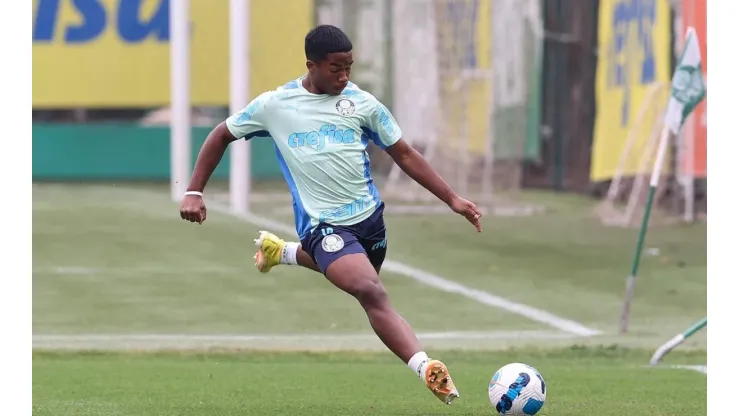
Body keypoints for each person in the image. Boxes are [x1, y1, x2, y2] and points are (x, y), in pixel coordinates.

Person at [180, 24, 482, 405]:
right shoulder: (276, 105)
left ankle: (283, 253)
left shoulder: (363, 104)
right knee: (369, 290)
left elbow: (404, 154)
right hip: (321, 224)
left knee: (357, 270)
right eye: (336, 68)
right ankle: (426, 368)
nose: (344, 76)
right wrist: (194, 190)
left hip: (370, 221)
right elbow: (220, 134)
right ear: (312, 66)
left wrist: (452, 198)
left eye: (349, 67)